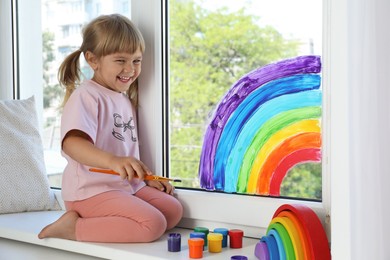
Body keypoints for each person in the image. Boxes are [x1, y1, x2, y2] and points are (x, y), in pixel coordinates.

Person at [38, 14, 183, 243]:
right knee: (153, 224)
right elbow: (72, 144)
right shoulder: (87, 96)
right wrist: (113, 161)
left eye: (136, 61)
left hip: (123, 187)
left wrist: (146, 177)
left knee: (173, 211)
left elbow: (121, 145)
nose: (130, 69)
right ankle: (73, 228)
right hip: (90, 191)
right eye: (120, 61)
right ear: (93, 60)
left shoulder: (122, 98)